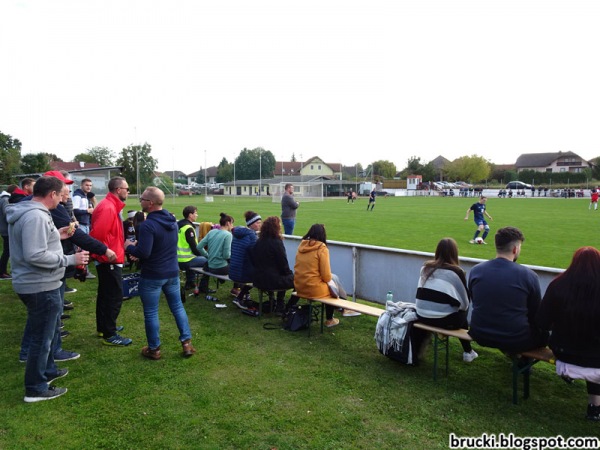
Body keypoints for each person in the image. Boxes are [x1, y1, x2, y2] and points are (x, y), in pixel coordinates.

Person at [6, 175, 88, 402]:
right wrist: (71, 259)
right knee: (41, 338)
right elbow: (35, 255)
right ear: (51, 194)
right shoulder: (35, 217)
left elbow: (34, 244)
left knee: (47, 333)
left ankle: (48, 370)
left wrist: (58, 235)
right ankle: (35, 388)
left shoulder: (33, 214)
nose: (62, 200)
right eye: (61, 195)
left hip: (38, 282)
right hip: (40, 284)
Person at [126, 187, 196, 360]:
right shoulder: (172, 220)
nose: (140, 201)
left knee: (151, 312)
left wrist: (128, 246)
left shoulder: (147, 225)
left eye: (142, 199)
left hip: (153, 275)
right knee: (177, 307)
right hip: (171, 272)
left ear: (150, 203)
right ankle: (187, 343)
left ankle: (154, 349)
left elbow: (145, 252)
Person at [536, 247, 600, 421]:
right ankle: (594, 407)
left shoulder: (558, 285)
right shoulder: (559, 285)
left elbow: (542, 322)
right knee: (592, 352)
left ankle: (594, 406)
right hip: (589, 356)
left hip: (563, 351)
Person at [468, 227, 548, 353]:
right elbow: (535, 313)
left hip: (479, 333)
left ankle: (518, 358)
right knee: (543, 335)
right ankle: (523, 364)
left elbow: (475, 300)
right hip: (514, 338)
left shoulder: (476, 270)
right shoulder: (528, 275)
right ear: (515, 249)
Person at [415, 238, 478, 362]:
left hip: (421, 315)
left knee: (452, 309)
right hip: (443, 321)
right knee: (462, 312)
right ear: (455, 253)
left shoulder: (425, 267)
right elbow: (465, 303)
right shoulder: (457, 272)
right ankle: (468, 351)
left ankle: (468, 352)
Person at [90, 176, 133, 346]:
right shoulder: (108, 207)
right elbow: (98, 236)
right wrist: (106, 253)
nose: (128, 192)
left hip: (109, 258)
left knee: (106, 294)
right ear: (118, 190)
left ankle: (104, 327)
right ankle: (110, 333)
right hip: (109, 260)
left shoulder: (110, 206)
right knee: (113, 296)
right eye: (127, 189)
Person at [293, 224, 348, 328]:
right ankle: (331, 317)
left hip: (300, 286)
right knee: (332, 286)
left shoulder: (302, 246)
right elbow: (326, 276)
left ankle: (343, 307)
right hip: (312, 289)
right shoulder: (322, 249)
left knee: (334, 278)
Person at [250, 216, 295, 313]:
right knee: (295, 278)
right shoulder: (276, 243)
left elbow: (254, 260)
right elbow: (283, 264)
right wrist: (290, 274)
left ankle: (272, 300)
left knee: (279, 274)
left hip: (258, 279)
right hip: (270, 280)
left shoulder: (259, 242)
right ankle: (281, 303)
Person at [196, 213, 234, 294]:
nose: (233, 226)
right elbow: (226, 255)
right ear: (228, 223)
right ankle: (237, 291)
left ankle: (204, 287)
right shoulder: (228, 235)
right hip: (220, 268)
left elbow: (199, 246)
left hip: (209, 266)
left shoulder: (212, 232)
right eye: (232, 223)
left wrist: (208, 256)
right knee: (238, 268)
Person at [230, 211, 261, 307]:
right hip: (241, 274)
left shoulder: (237, 233)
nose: (260, 224)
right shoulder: (252, 236)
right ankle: (241, 297)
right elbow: (256, 255)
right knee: (262, 276)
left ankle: (243, 295)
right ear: (251, 224)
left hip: (232, 271)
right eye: (258, 222)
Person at [177, 205, 208, 290]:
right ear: (190, 215)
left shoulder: (179, 225)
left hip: (176, 259)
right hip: (185, 260)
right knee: (209, 261)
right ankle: (203, 286)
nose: (197, 215)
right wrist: (204, 256)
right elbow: (195, 249)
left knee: (194, 258)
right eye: (196, 213)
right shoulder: (188, 228)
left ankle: (190, 282)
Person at [0, 184, 16, 279]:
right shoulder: (6, 200)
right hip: (6, 229)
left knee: (7, 251)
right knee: (7, 251)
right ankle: (2, 272)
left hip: (3, 228)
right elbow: (7, 213)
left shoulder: (3, 198)